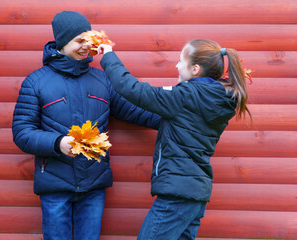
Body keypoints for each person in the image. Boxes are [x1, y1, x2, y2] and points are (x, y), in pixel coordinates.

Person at [12, 11, 160, 240]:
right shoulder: (35, 82)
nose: (85, 46)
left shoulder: (102, 79)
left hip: (93, 184)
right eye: (78, 41)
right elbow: (22, 132)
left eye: (88, 40)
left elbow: (134, 111)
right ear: (62, 42)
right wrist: (58, 143)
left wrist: (175, 115)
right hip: (54, 185)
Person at [97, 39, 252, 240]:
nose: (177, 65)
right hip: (195, 195)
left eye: (181, 61)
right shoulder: (216, 99)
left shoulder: (184, 95)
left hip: (177, 197)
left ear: (195, 69)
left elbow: (132, 89)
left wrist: (108, 55)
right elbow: (166, 119)